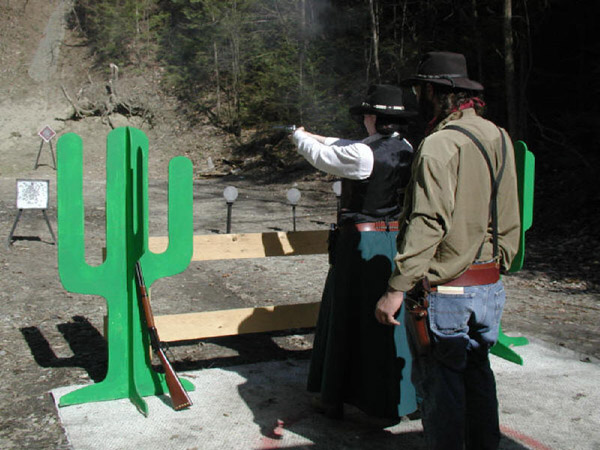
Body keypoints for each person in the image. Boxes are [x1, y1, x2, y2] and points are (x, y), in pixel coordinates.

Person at [375, 51, 521, 449]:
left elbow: (428, 222)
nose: (418, 97)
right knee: (477, 374)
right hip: (488, 284)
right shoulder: (498, 136)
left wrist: (396, 287)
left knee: (442, 387)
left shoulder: (439, 145)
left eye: (421, 89)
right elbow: (510, 208)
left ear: (437, 93)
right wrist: (501, 260)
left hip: (447, 291)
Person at [291, 84, 419, 423]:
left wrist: (299, 138)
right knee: (391, 322)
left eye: (367, 114)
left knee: (347, 318)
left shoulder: (365, 155)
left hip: (361, 243)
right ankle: (401, 397)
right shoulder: (406, 147)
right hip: (393, 241)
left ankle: (335, 396)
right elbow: (345, 146)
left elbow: (324, 156)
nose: (363, 119)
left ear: (375, 117)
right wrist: (314, 134)